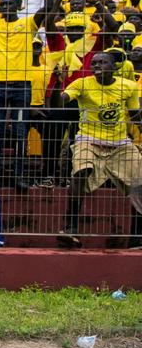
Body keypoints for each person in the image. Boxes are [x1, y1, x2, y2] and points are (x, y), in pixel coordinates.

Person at [56, 50, 142, 248]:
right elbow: (59, 101)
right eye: (94, 63)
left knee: (139, 181)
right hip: (89, 139)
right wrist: (57, 86)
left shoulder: (128, 86)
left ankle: (137, 236)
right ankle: (71, 228)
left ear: (113, 67)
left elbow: (134, 113)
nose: (97, 66)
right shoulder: (82, 84)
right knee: (80, 172)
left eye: (102, 63)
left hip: (120, 143)